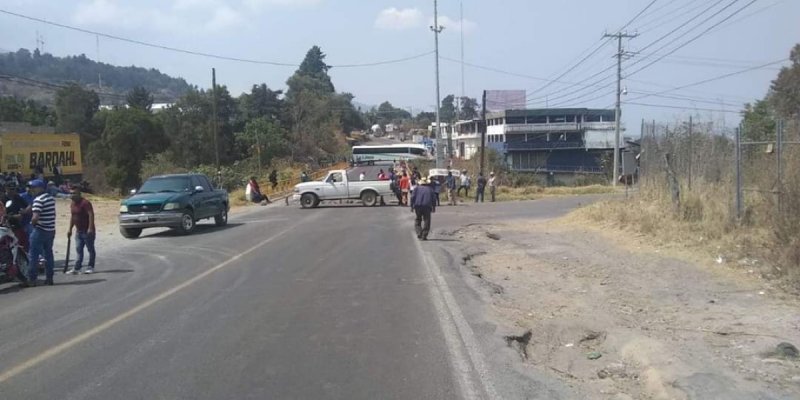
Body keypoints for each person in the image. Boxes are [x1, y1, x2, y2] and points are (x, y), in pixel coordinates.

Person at [26, 179, 56, 286]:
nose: (31, 189)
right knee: (48, 254)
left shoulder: (38, 200)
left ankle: (32, 279)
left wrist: (33, 225)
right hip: (51, 229)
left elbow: (35, 217)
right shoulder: (51, 198)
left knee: (33, 255)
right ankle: (49, 278)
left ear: (40, 188)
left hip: (40, 230)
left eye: (33, 187)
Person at [65, 185, 96, 275]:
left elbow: (91, 214)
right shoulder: (72, 204)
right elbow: (73, 217)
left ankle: (90, 266)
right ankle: (77, 268)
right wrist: (70, 229)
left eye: (74, 193)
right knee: (79, 249)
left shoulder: (85, 203)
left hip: (87, 231)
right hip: (78, 231)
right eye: (70, 193)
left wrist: (90, 228)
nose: (72, 195)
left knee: (90, 249)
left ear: (79, 194)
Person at [3, 182, 29, 254]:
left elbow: (27, 205)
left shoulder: (17, 197)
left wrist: (23, 212)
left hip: (18, 225)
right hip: (6, 226)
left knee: (24, 243)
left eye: (14, 189)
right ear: (6, 189)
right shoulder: (2, 199)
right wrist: (13, 217)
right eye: (10, 189)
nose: (13, 191)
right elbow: (2, 214)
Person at [410, 176, 436, 241]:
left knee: (418, 220)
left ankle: (419, 233)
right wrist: (434, 207)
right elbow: (434, 199)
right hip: (427, 207)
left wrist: (411, 206)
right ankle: (424, 235)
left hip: (418, 206)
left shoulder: (416, 189)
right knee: (427, 220)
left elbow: (412, 197)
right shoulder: (430, 189)